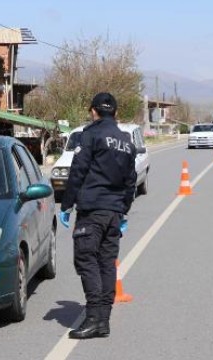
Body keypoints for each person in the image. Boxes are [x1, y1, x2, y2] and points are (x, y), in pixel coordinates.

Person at [59, 92, 137, 340]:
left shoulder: (90, 134)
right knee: (106, 264)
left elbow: (78, 171)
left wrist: (66, 205)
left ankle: (92, 319)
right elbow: (131, 181)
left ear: (93, 111)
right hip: (113, 212)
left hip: (92, 211)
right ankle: (104, 321)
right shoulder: (126, 142)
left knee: (87, 261)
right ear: (115, 113)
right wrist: (123, 211)